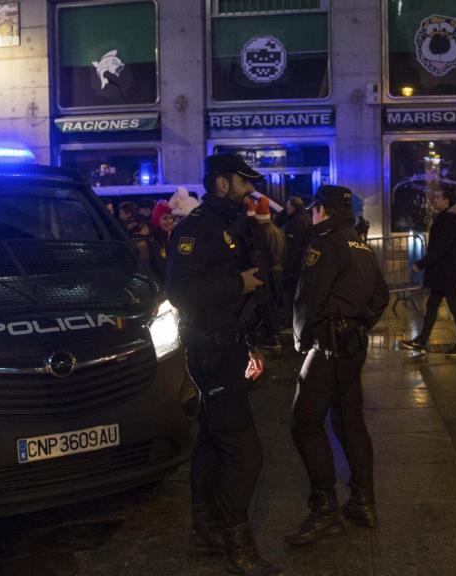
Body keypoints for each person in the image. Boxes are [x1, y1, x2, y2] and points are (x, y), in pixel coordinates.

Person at [166, 153, 282, 576]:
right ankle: (239, 546)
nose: (249, 190)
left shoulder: (230, 225)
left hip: (228, 344)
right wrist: (238, 283)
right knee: (244, 451)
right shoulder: (195, 229)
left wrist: (252, 337)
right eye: (243, 182)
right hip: (210, 350)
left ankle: (205, 532)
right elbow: (180, 292)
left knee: (213, 440)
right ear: (221, 183)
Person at [287, 185, 389, 546]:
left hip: (328, 346)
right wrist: (358, 324)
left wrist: (301, 339)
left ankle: (324, 510)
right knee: (349, 421)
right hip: (351, 345)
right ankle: (363, 502)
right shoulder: (361, 245)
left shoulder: (324, 243)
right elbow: (381, 294)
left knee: (305, 422)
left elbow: (309, 297)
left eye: (315, 209)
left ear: (322, 210)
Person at [399, 188, 456, 356]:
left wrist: (421, 264)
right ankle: (422, 340)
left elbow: (441, 248)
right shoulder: (445, 218)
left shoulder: (450, 221)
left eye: (438, 197)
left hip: (448, 272)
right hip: (442, 272)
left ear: (447, 201)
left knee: (455, 307)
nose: (435, 200)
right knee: (432, 306)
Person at [251, 196, 286, 352]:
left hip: (268, 273)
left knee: (267, 307)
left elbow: (264, 256)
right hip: (279, 271)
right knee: (275, 306)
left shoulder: (260, 233)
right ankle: (276, 334)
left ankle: (273, 338)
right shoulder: (278, 230)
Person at [281, 197, 313, 332]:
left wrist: (288, 270)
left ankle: (291, 325)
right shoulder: (309, 219)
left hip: (295, 268)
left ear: (293, 207)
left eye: (288, 206)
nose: (286, 209)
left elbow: (293, 249)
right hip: (307, 265)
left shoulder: (293, 223)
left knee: (292, 297)